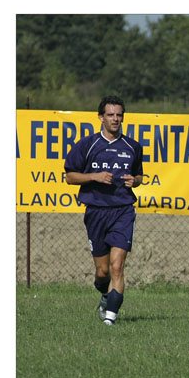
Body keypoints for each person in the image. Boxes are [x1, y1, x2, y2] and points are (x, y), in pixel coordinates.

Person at [65, 95, 143, 326]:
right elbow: (70, 177)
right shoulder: (88, 145)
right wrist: (94, 177)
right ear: (101, 117)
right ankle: (105, 295)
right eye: (110, 115)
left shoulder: (132, 146)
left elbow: (138, 174)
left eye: (119, 115)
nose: (115, 119)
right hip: (96, 212)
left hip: (123, 211)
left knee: (117, 266)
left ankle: (110, 320)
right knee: (102, 273)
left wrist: (135, 181)